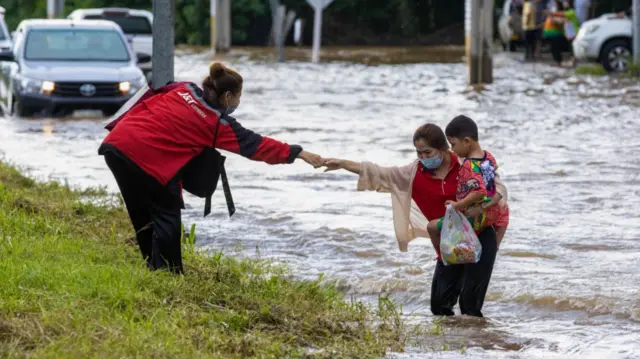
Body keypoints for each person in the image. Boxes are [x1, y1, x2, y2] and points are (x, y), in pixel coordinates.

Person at [98, 62, 324, 274]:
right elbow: (255, 146)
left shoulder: (183, 88)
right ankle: (169, 275)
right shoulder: (217, 123)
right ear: (227, 96)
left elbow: (151, 92)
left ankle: (153, 268)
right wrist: (298, 152)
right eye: (239, 96)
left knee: (141, 211)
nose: (238, 102)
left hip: (117, 147)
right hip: (144, 157)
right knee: (168, 216)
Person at [322, 123, 508, 317]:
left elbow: (498, 189)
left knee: (470, 306)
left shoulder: (466, 164)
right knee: (439, 308)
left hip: (481, 236)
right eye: (419, 153)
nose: (423, 158)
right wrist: (343, 164)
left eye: (428, 152)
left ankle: (478, 346)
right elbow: (379, 172)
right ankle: (453, 344)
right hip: (450, 244)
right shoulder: (413, 173)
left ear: (443, 149)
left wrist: (481, 208)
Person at [426, 116, 510, 253]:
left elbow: (479, 191)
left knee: (432, 227)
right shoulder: (488, 156)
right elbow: (492, 185)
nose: (452, 150)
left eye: (453, 144)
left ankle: (443, 256)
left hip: (476, 217)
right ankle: (493, 250)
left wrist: (457, 205)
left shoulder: (469, 165)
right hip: (496, 212)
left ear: (466, 141)